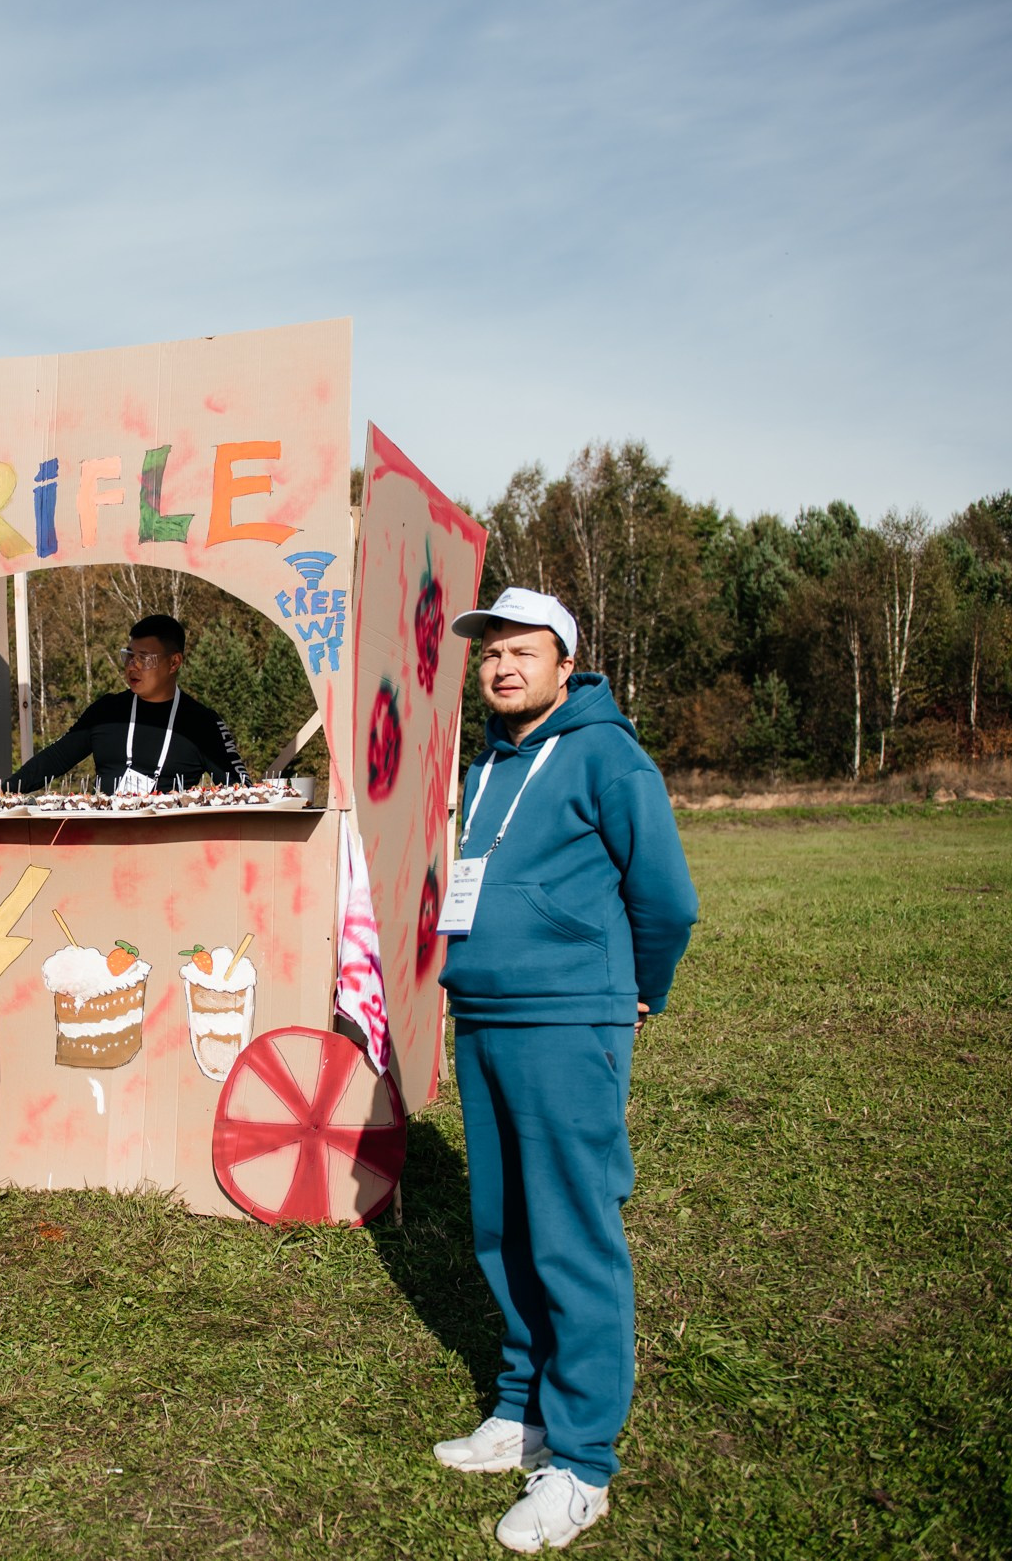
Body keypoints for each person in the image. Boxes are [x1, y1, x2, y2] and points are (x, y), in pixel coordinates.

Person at [428, 587, 699, 1554]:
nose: (503, 666)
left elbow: (667, 897)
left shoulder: (607, 755)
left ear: (565, 663)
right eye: (491, 652)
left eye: (523, 651)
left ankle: (582, 1463)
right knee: (503, 1226)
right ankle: (525, 1409)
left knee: (572, 1232)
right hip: (485, 1014)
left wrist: (638, 990)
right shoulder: (489, 762)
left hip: (568, 1019)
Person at [0, 613, 247, 796]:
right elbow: (58, 756)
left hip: (167, 847)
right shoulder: (107, 711)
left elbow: (241, 789)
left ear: (174, 663)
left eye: (144, 658)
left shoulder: (203, 723)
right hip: (103, 841)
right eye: (129, 656)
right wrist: (6, 788)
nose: (133, 666)